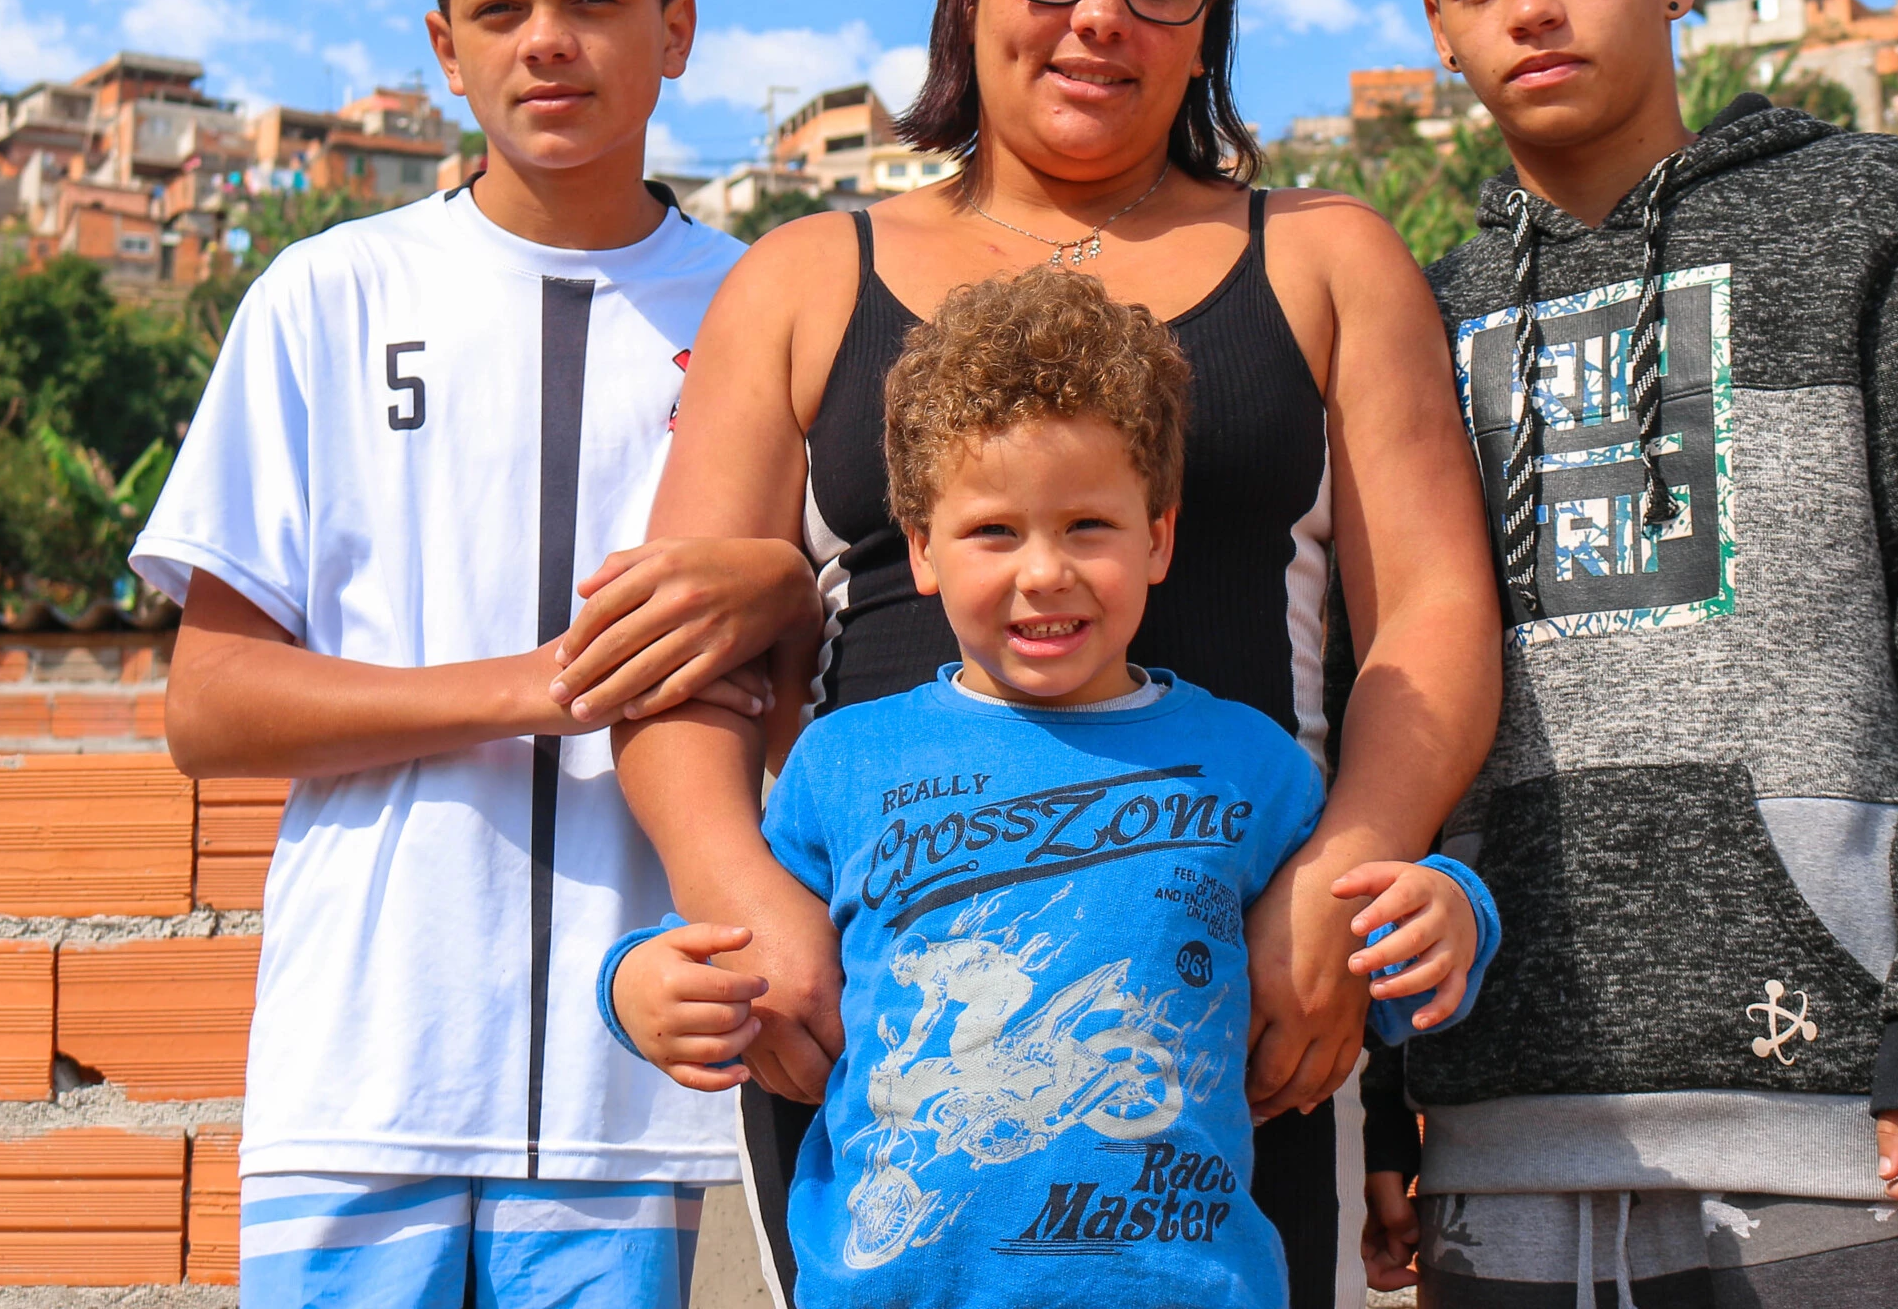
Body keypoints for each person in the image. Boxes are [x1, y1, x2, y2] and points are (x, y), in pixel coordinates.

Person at [554, 0, 1504, 1306]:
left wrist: (1338, 872)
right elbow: (677, 649)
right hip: (876, 1020)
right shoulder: (808, 275)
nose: (1100, 14)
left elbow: (1435, 611)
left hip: (1231, 1004)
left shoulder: (1329, 260)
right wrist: (748, 895)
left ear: (1211, 31)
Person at [1357, 0, 1898, 1307]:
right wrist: (1377, 1086)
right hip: (1500, 1136)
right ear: (1437, 25)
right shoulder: (1411, 310)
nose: (1534, 11)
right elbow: (1366, 696)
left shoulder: (1862, 216)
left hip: (1848, 1122)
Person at [136, 0, 811, 1309]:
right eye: (502, 12)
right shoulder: (328, 293)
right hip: (368, 1060)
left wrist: (787, 594)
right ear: (447, 48)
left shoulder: (775, 307)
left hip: (659, 1083)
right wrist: (539, 684)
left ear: (676, 30)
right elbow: (211, 705)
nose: (548, 44)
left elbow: (846, 661)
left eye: (594, 0)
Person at [602, 270, 1500, 1309]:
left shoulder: (1254, 763)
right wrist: (636, 990)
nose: (1044, 572)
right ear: (922, 546)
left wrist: (1450, 914)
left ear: (1157, 536)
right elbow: (727, 956)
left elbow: (1368, 946)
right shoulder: (840, 762)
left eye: (1087, 527)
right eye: (993, 532)